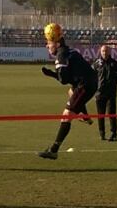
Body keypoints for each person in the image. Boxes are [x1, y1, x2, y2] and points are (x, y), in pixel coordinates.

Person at [38, 23, 98, 160]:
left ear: (57, 44)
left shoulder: (61, 55)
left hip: (85, 85)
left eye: (49, 43)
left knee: (66, 116)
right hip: (88, 82)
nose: (47, 46)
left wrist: (51, 74)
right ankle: (85, 116)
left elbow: (63, 80)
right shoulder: (68, 51)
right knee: (71, 93)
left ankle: (53, 150)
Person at [91, 45, 117, 141]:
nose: (104, 53)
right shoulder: (96, 63)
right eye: (103, 51)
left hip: (111, 93)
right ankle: (102, 133)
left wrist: (112, 85)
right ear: (100, 52)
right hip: (99, 93)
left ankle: (114, 133)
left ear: (109, 52)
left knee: (112, 113)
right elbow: (92, 77)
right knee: (100, 115)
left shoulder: (115, 63)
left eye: (106, 51)